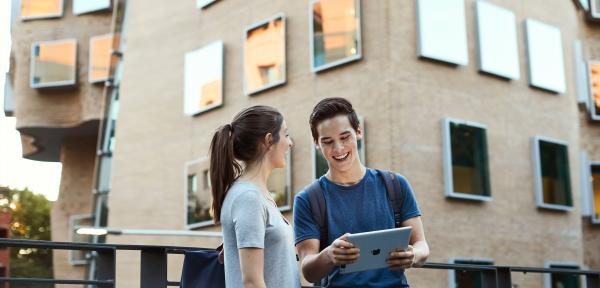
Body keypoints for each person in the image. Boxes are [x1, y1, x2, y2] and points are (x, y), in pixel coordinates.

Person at [294, 98, 430, 287]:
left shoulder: (395, 185)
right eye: (327, 141)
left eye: (344, 137)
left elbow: (422, 246)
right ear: (316, 143)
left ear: (358, 132)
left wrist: (413, 255)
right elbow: (307, 271)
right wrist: (329, 255)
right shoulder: (308, 199)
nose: (338, 148)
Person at [210, 105, 300, 288]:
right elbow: (252, 282)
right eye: (286, 134)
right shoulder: (248, 198)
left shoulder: (255, 195)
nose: (290, 143)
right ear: (268, 140)